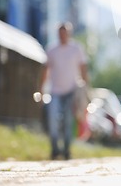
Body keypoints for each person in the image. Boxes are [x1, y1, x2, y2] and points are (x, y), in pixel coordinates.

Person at [40, 22, 89, 160]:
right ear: (58, 34)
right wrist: (41, 89)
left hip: (71, 91)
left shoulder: (76, 49)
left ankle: (66, 150)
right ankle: (55, 150)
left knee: (68, 121)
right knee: (53, 122)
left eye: (65, 33)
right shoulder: (52, 49)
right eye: (60, 33)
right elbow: (45, 70)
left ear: (69, 34)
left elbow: (83, 67)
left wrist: (85, 86)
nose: (62, 36)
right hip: (54, 91)